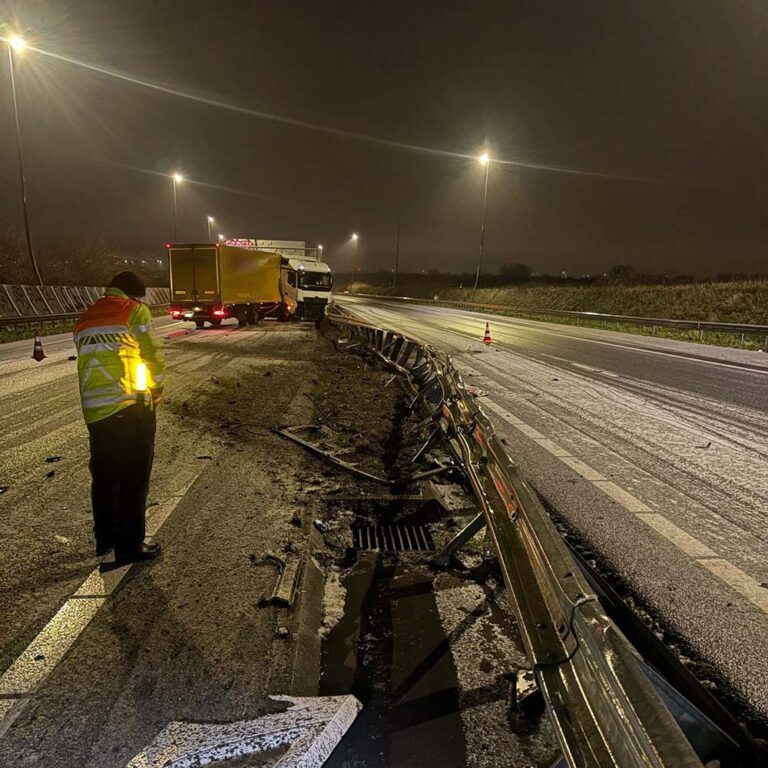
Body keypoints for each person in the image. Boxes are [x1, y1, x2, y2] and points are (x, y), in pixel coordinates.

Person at [73, 271, 166, 563]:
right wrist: (156, 390)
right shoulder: (134, 311)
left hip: (95, 411)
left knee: (105, 477)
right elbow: (152, 354)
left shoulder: (85, 319)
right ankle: (129, 546)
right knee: (134, 477)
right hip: (130, 406)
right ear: (133, 295)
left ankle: (106, 539)